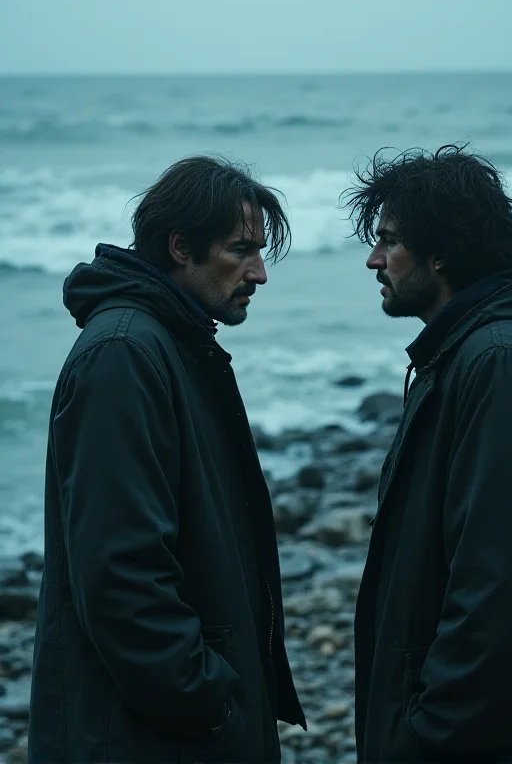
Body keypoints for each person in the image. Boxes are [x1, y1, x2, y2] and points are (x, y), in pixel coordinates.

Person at [28, 156, 306, 763]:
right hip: (144, 740)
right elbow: (120, 575)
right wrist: (210, 706)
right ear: (181, 247)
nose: (259, 273)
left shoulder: (173, 342)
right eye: (241, 250)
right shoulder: (126, 352)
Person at [345, 145, 512, 762]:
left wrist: (426, 737)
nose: (374, 260)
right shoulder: (469, 353)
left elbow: (511, 589)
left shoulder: (501, 364)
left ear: (442, 252)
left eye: (390, 241)